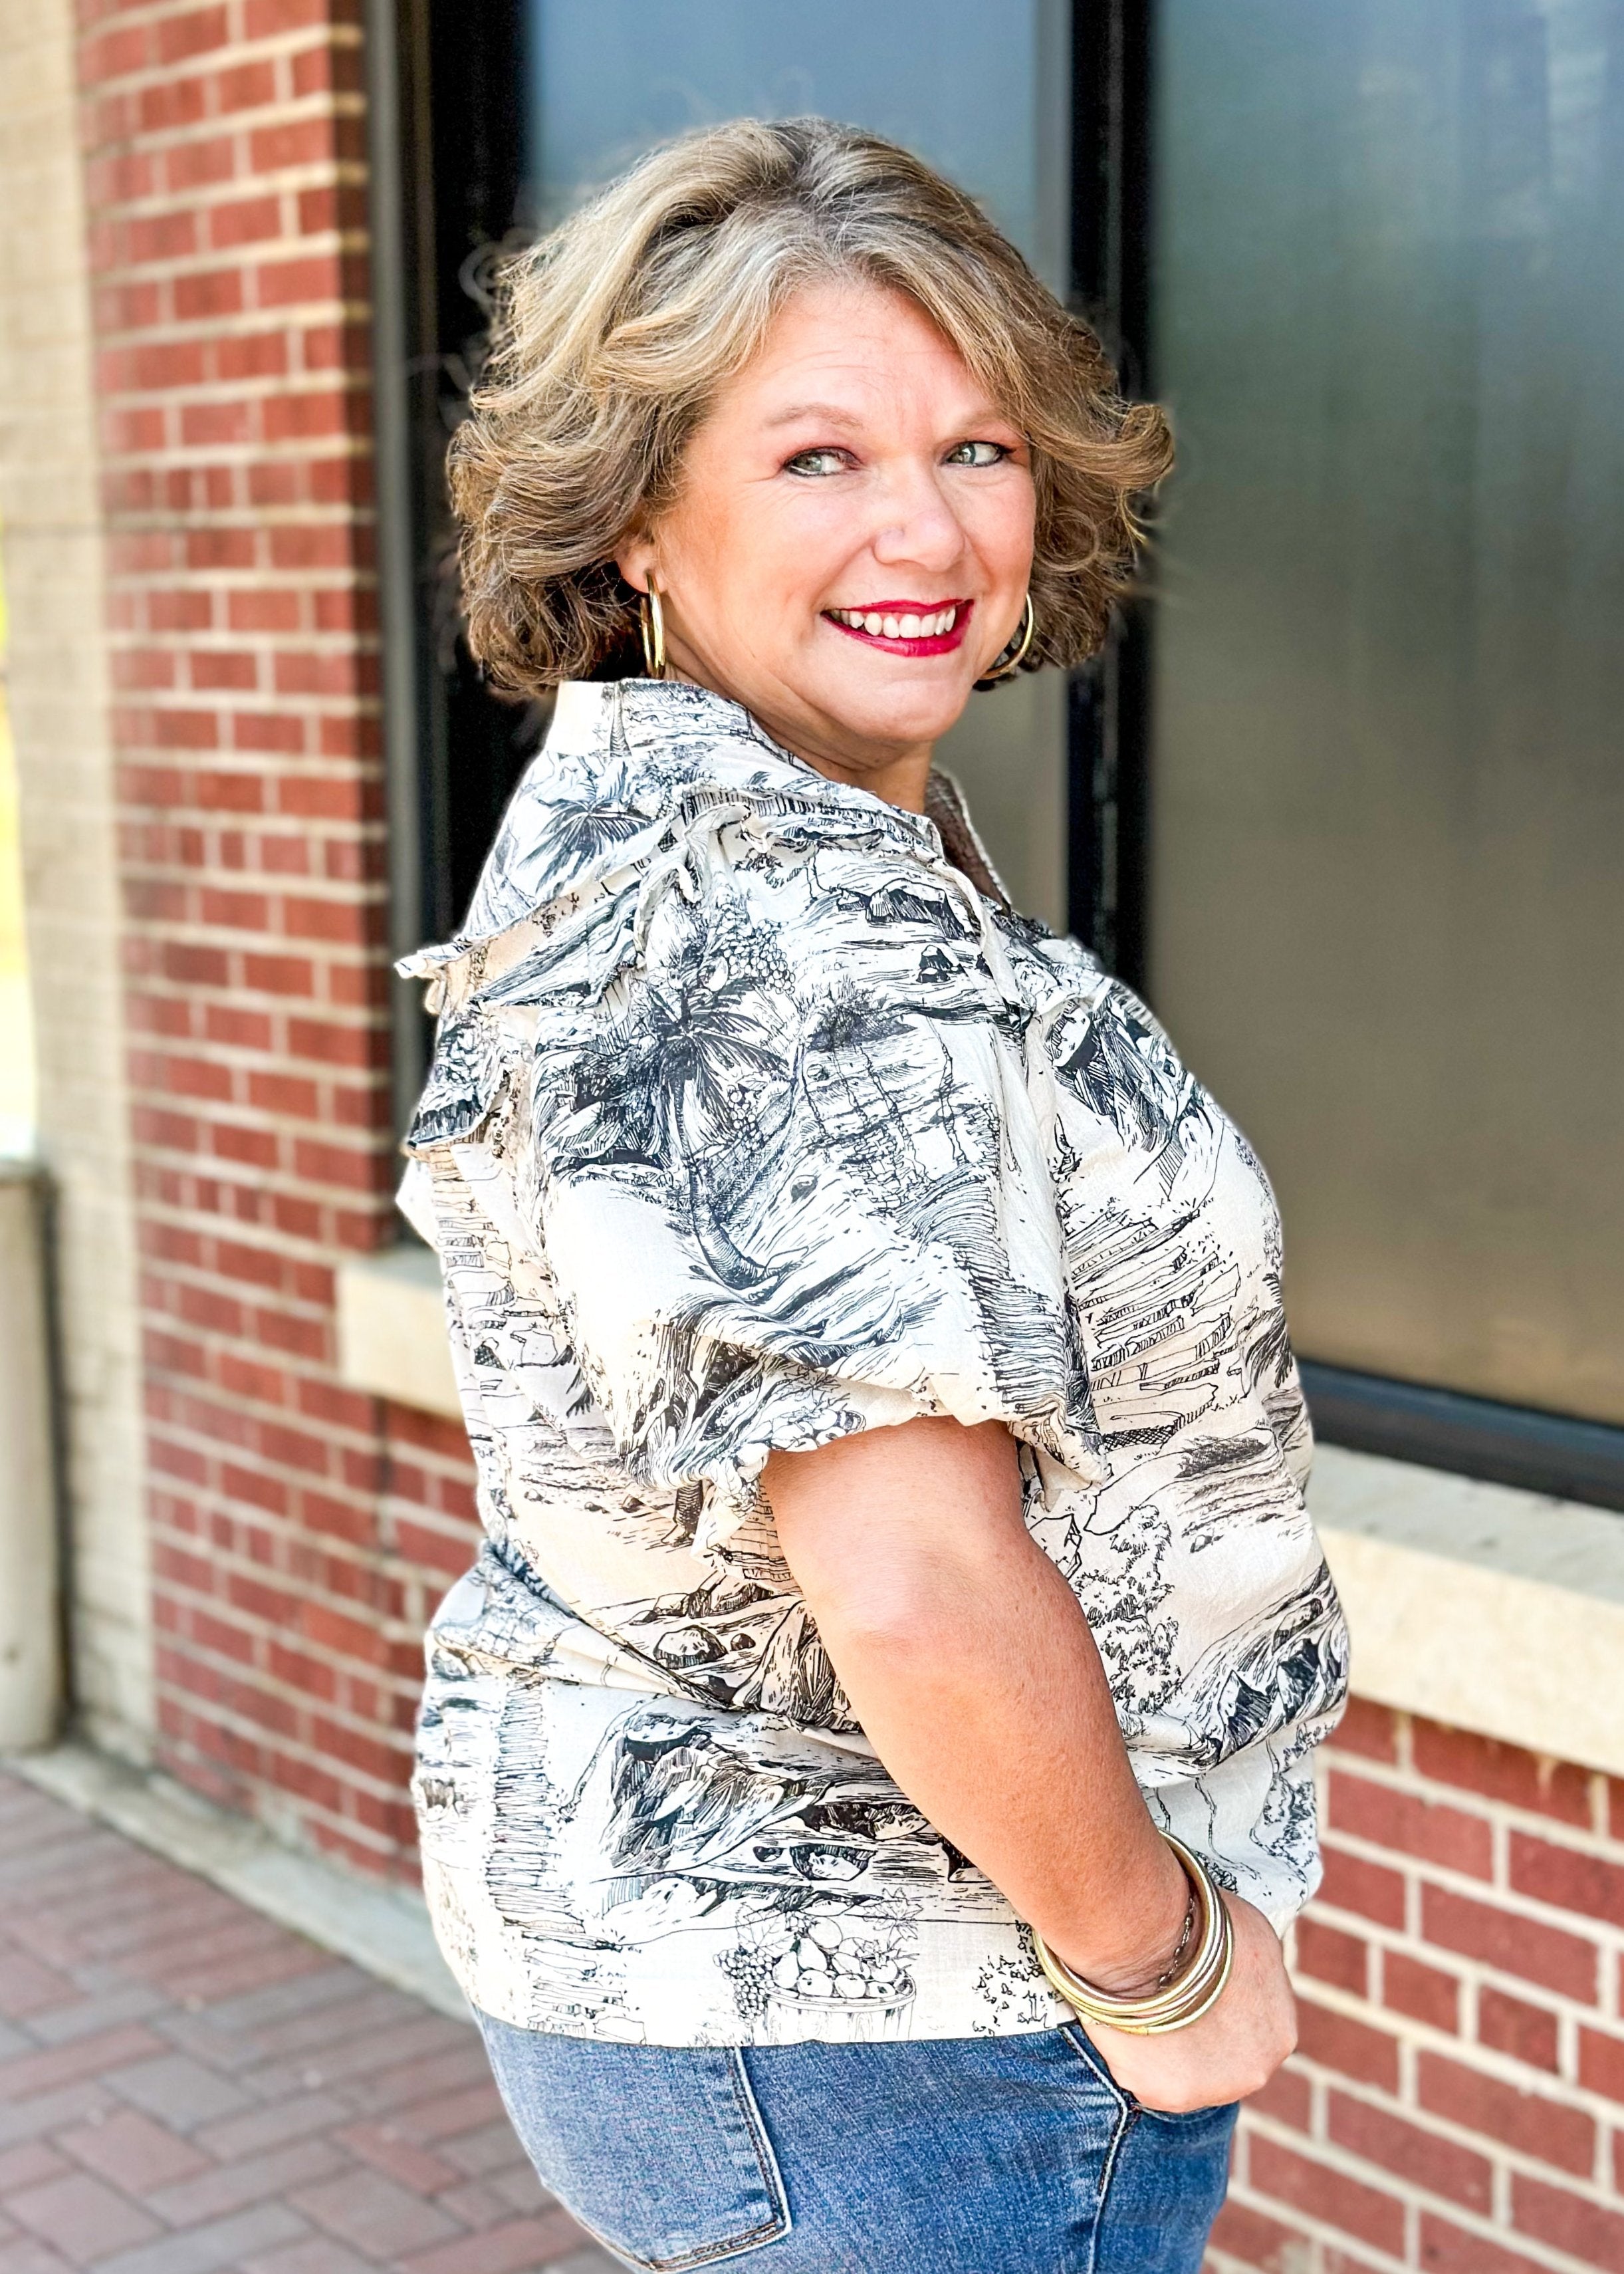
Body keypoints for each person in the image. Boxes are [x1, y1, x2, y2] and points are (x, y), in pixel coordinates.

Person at [398, 116, 1349, 2274]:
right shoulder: (786, 927)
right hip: (912, 2030)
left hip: (718, 1992)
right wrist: (1164, 1960)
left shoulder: (684, 826)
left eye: (978, 446)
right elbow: (910, 1576)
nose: (924, 525)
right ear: (639, 513)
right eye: (814, 457)